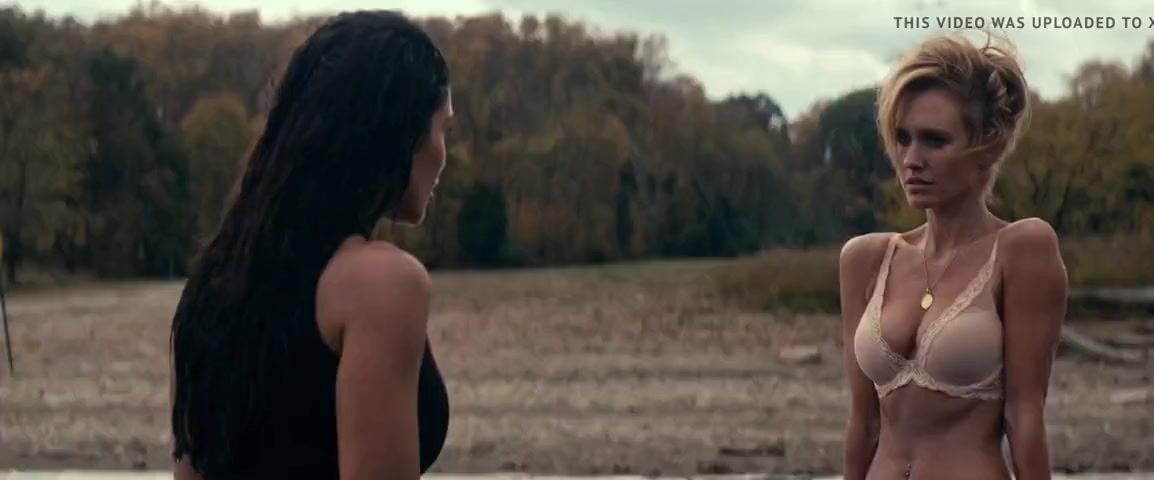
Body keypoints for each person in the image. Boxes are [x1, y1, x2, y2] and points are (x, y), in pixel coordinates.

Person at [169, 10, 454, 480]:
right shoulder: (382, 283)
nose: (444, 153)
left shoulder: (212, 287)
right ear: (398, 131)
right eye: (443, 127)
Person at [840, 34, 1068, 480]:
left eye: (935, 140)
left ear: (987, 147)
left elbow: (1024, 418)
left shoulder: (1022, 250)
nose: (912, 159)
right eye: (902, 138)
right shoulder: (865, 259)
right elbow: (863, 426)